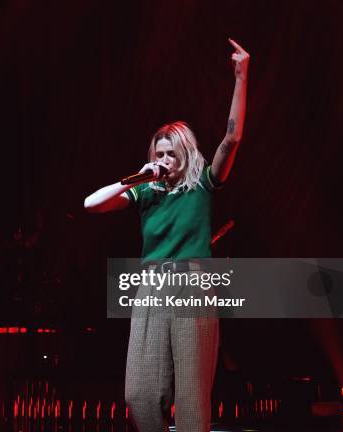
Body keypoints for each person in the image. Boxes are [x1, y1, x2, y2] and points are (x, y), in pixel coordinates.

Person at [84, 39, 249, 431]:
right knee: (139, 395)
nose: (163, 160)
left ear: (186, 154)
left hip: (193, 283)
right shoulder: (144, 191)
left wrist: (241, 77)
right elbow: (92, 204)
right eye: (158, 153)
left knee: (191, 401)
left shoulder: (203, 185)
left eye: (170, 153)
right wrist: (136, 178)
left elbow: (232, 140)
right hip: (151, 286)